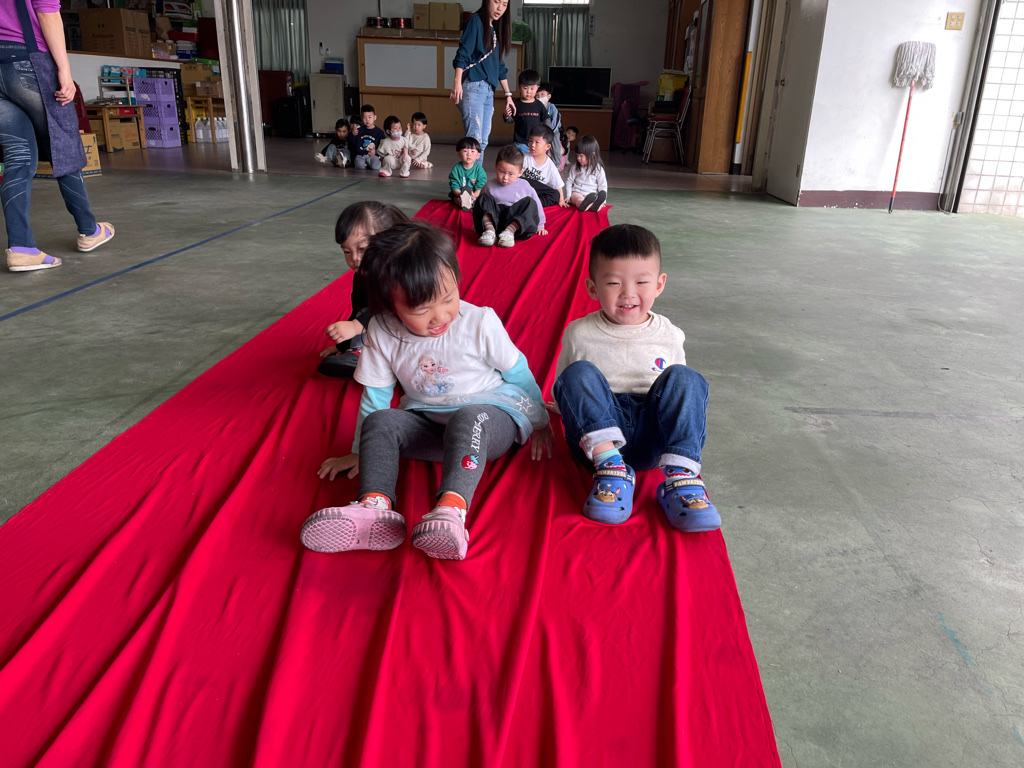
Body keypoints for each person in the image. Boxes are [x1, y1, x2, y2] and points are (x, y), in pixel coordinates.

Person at [300, 221, 554, 560]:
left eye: (448, 298)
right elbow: (376, 397)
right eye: (421, 310)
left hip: (489, 420)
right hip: (429, 424)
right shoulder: (382, 332)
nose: (440, 316)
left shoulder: (479, 322)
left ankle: (451, 511)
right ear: (389, 305)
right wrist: (361, 451)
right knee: (381, 421)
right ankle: (374, 506)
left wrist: (539, 422)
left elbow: (517, 371)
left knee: (469, 417)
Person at [549, 224, 720, 533]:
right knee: (578, 372)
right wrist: (555, 411)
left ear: (659, 284)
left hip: (652, 438)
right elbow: (567, 386)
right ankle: (612, 470)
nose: (628, 293)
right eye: (614, 283)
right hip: (596, 442)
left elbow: (680, 398)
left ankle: (682, 478)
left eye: (641, 282)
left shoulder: (670, 334)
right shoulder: (578, 332)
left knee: (686, 377)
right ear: (592, 288)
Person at [1, 0, 114, 273]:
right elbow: (48, 14)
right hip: (27, 62)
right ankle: (89, 230)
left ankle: (22, 248)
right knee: (63, 146)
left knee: (18, 157)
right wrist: (64, 70)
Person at [318, 202, 408, 379]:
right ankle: (357, 351)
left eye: (362, 249)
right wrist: (344, 343)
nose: (355, 259)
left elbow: (393, 309)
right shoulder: (362, 276)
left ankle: (382, 358)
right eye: (347, 251)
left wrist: (357, 326)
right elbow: (359, 309)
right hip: (380, 329)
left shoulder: (402, 274)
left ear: (389, 242)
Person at [451, 0, 515, 165]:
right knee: (474, 141)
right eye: (496, 1)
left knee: (482, 142)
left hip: (488, 91)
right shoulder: (475, 21)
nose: (500, 8)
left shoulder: (495, 29)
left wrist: (508, 95)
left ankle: (475, 178)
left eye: (505, 4)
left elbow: (499, 66)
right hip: (474, 86)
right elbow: (463, 53)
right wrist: (457, 82)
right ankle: (470, 180)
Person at [473, 145, 547, 248]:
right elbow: (481, 207)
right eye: (502, 172)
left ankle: (508, 233)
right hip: (495, 221)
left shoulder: (525, 185)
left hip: (516, 224)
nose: (505, 178)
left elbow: (536, 205)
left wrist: (540, 224)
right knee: (483, 198)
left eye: (511, 174)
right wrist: (482, 221)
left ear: (520, 172)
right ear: (495, 166)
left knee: (530, 202)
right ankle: (489, 231)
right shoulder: (489, 185)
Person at [503, 68, 546, 155]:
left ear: (537, 88)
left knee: (538, 159)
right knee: (523, 160)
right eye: (525, 88)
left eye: (532, 89)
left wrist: (546, 136)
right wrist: (506, 115)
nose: (528, 92)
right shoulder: (515, 104)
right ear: (519, 87)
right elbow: (510, 120)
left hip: (537, 141)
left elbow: (546, 120)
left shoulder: (539, 105)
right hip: (520, 142)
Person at [520, 125, 564, 208]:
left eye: (537, 142)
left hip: (538, 192)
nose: (532, 145)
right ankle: (528, 201)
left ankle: (535, 203)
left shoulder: (550, 166)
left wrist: (561, 200)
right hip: (525, 187)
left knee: (555, 194)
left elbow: (558, 185)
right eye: (530, 141)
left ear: (547, 146)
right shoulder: (526, 158)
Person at [563, 134, 608, 212]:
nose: (578, 158)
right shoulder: (575, 167)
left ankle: (596, 206)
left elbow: (602, 185)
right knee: (578, 199)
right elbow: (569, 181)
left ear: (592, 155)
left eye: (581, 156)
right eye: (577, 155)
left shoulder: (598, 169)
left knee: (597, 200)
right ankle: (583, 205)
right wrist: (568, 195)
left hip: (592, 195)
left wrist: (604, 201)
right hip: (577, 192)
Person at [449, 136, 487, 211]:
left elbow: (481, 185)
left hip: (474, 194)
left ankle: (472, 203)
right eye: (465, 151)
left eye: (472, 151)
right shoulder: (456, 169)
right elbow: (454, 185)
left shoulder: (479, 170)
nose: (469, 154)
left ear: (478, 155)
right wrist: (461, 194)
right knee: (457, 199)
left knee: (482, 198)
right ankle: (466, 203)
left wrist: (475, 194)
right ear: (459, 154)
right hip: (459, 194)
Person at [348, 104, 385, 171]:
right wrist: (353, 135)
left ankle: (369, 164)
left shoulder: (379, 132)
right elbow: (352, 143)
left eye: (369, 117)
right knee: (359, 164)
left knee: (376, 166)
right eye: (364, 117)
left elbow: (382, 146)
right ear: (361, 118)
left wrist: (375, 152)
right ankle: (366, 165)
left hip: (373, 155)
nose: (367, 120)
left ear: (375, 117)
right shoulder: (359, 130)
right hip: (360, 155)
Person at [536, 81, 563, 168]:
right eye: (537, 96)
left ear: (549, 96)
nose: (540, 97)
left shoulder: (552, 107)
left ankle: (556, 166)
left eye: (542, 95)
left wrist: (550, 132)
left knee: (555, 149)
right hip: (540, 133)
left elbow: (556, 121)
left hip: (553, 132)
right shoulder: (536, 107)